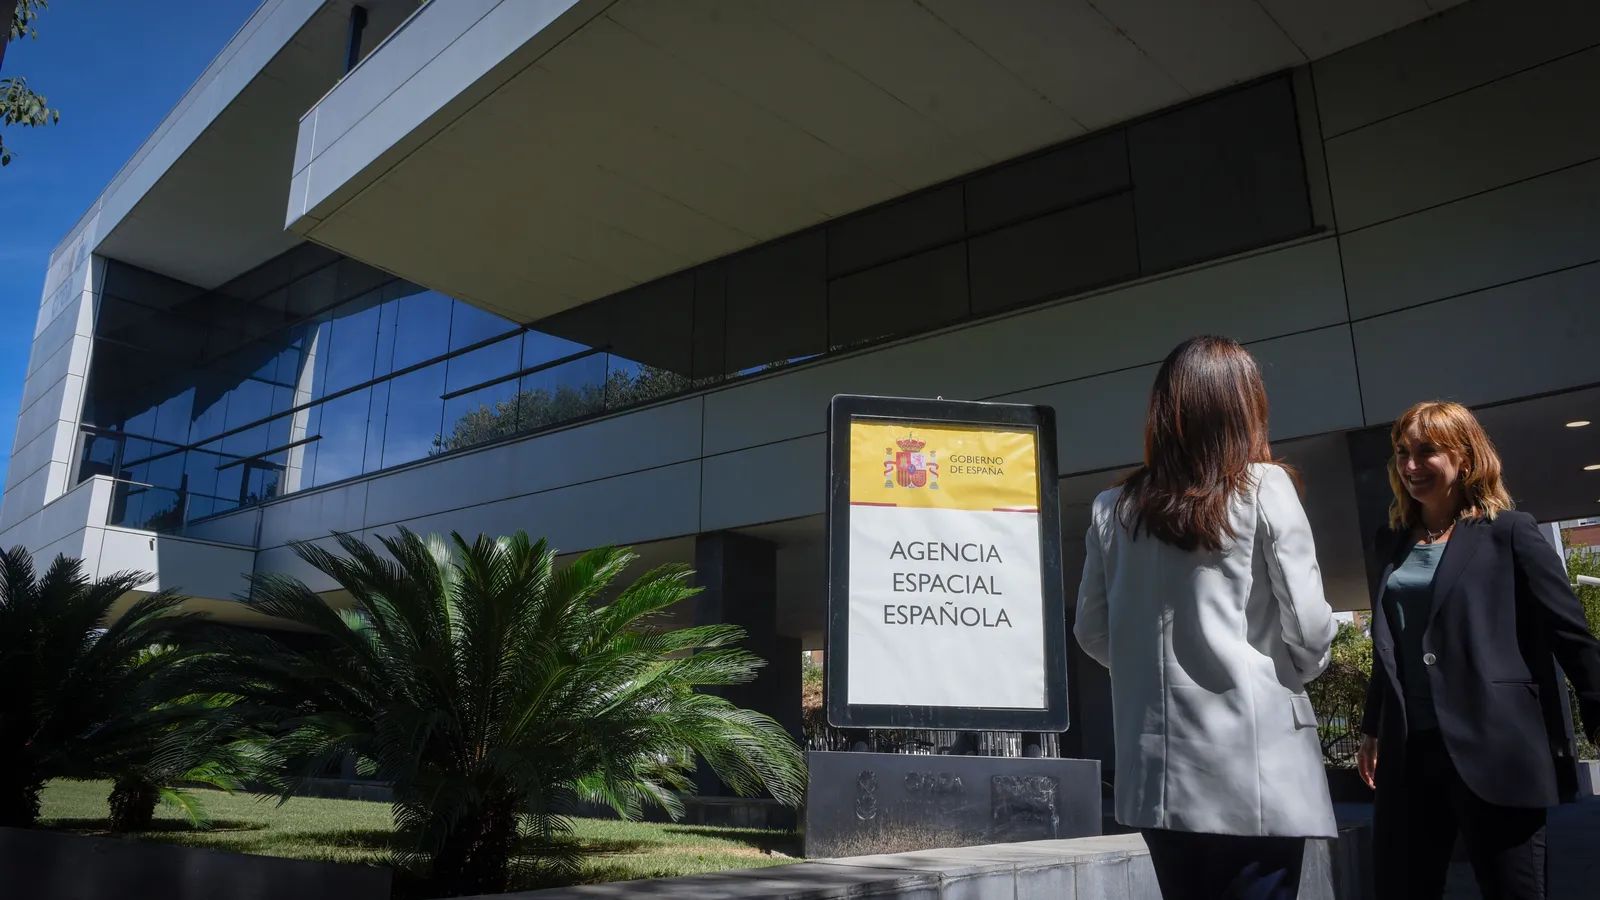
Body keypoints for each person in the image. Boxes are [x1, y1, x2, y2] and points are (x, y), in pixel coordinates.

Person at [1076, 335, 1337, 900]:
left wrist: (1149, 676)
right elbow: (1311, 627)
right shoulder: (1265, 487)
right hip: (1258, 761)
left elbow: (1091, 629)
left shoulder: (1112, 507)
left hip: (1157, 769)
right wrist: (1280, 677)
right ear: (1245, 407)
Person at [1357, 400, 1600, 900]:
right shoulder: (1391, 542)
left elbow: (1570, 633)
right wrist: (1371, 727)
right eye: (1402, 452)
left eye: (1427, 452)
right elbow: (1390, 646)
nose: (1410, 465)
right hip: (1411, 752)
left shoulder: (1509, 531)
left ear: (1464, 456)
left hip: (1495, 745)